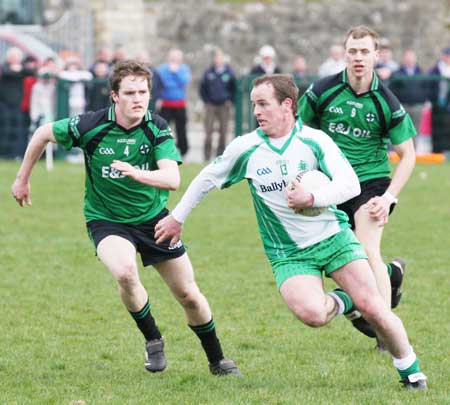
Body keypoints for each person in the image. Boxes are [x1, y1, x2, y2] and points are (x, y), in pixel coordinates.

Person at [154, 74, 427, 390]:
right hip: (289, 253)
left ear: (287, 105)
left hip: (334, 239)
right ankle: (346, 302)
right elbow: (205, 178)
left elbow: (349, 184)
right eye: (254, 104)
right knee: (313, 314)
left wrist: (313, 198)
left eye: (263, 104)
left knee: (376, 308)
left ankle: (412, 372)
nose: (257, 111)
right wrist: (177, 217)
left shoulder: (315, 141)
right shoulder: (247, 147)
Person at [11, 60, 239, 377]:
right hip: (107, 220)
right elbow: (42, 134)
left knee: (188, 294)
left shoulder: (156, 127)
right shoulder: (90, 125)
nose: (138, 99)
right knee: (125, 273)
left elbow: (172, 179)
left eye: (143, 92)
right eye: (130, 92)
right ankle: (153, 340)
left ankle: (217, 360)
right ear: (114, 96)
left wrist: (136, 174)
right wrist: (22, 179)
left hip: (154, 220)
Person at [298, 25, 416, 348]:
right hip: (332, 184)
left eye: (365, 52)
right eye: (353, 51)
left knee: (366, 251)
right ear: (345, 53)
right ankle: (390, 277)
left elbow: (408, 156)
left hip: (371, 184)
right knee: (334, 263)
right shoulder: (323, 91)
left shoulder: (386, 101)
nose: (358, 57)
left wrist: (389, 196)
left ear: (376, 56)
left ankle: (383, 331)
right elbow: (298, 131)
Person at [199, 48, 236, 161]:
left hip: (224, 105)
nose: (218, 60)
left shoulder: (229, 72)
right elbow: (202, 87)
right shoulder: (209, 72)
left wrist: (230, 100)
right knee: (208, 132)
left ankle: (220, 156)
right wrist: (206, 101)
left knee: (223, 132)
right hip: (211, 105)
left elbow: (234, 88)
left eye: (220, 58)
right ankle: (206, 157)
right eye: (217, 58)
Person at [157, 48, 191, 157]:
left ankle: (183, 151)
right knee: (163, 129)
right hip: (165, 104)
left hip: (180, 104)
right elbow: (161, 83)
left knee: (181, 129)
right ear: (169, 57)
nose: (175, 59)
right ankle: (163, 150)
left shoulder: (184, 69)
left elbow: (184, 82)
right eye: (173, 57)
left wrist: (175, 73)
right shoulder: (162, 69)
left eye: (177, 57)